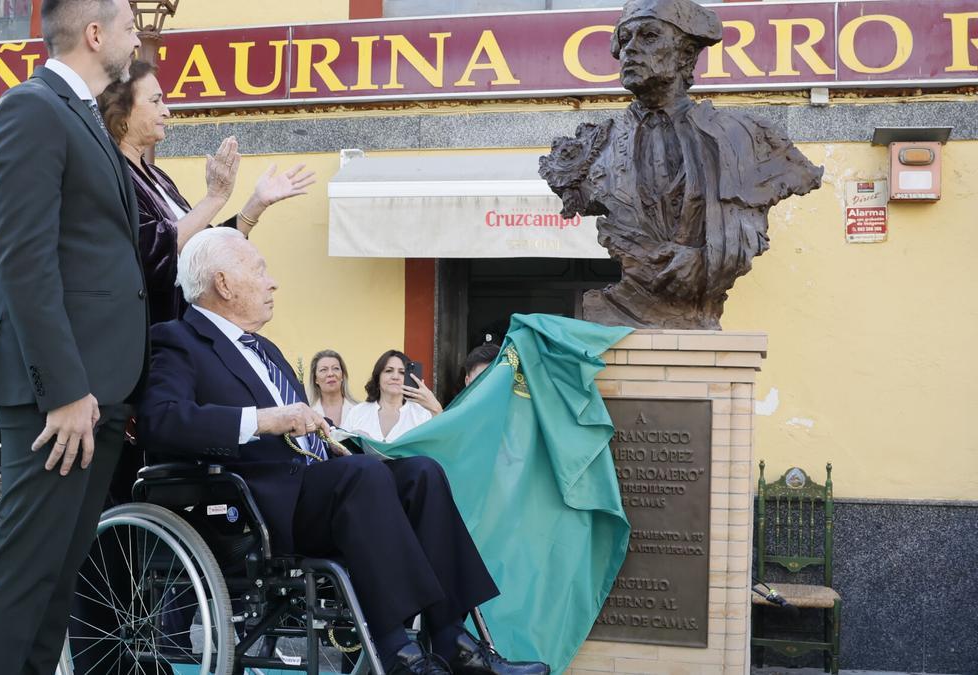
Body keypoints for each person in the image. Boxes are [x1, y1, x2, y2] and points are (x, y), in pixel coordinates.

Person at [137, 228, 549, 675]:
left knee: (421, 474)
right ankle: (395, 648)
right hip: (253, 508)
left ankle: (452, 639)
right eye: (260, 270)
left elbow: (314, 435)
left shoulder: (266, 349)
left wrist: (342, 440)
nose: (273, 282)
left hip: (317, 490)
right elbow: (161, 421)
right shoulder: (178, 340)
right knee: (362, 478)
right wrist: (265, 419)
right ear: (224, 284)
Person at [0, 0, 148, 671]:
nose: (139, 37)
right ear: (95, 35)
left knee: (55, 582)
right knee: (23, 578)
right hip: (58, 394)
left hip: (95, 391)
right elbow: (24, 261)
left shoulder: (79, 116)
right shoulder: (32, 110)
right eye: (131, 25)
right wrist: (66, 389)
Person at [539, 0, 821, 329]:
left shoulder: (746, 138)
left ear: (685, 55)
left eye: (648, 36)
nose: (630, 49)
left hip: (699, 310)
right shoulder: (591, 151)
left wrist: (703, 257)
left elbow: (747, 229)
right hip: (629, 307)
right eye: (624, 38)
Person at [97, 59, 315, 323]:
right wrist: (215, 197)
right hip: (153, 337)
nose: (166, 111)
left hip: (186, 330)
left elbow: (206, 251)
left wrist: (256, 204)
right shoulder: (111, 177)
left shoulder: (157, 177)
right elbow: (151, 252)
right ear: (122, 113)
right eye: (155, 101)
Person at [343, 350, 443, 443]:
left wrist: (436, 409)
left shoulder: (422, 414)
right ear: (378, 377)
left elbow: (440, 444)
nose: (395, 377)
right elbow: (341, 447)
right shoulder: (357, 412)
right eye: (389, 371)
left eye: (402, 372)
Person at [307, 349, 358, 426]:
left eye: (335, 368)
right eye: (323, 370)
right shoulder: (307, 412)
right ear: (315, 379)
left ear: (342, 376)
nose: (330, 374)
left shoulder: (359, 410)